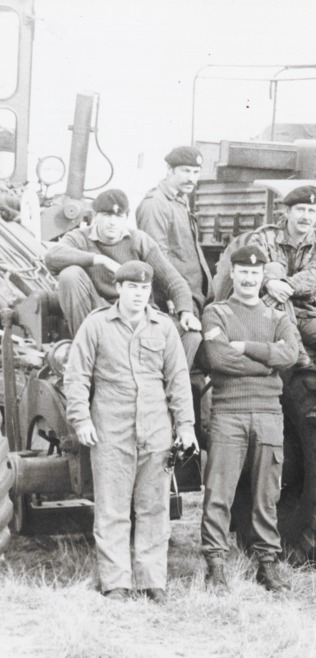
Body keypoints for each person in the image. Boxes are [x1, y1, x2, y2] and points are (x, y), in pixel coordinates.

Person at [62, 261, 198, 603]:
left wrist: (185, 426)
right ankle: (116, 583)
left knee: (154, 508)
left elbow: (179, 379)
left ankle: (153, 580)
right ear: (119, 288)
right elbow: (76, 375)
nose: (139, 294)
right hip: (111, 428)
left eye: (144, 288)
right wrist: (81, 420)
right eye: (132, 287)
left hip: (156, 430)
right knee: (112, 509)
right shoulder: (97, 325)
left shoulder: (163, 328)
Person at [199, 245, 302, 593]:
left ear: (263, 278)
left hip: (270, 414)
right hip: (229, 412)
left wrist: (244, 347)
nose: (248, 278)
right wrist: (266, 364)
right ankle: (215, 563)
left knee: (267, 493)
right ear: (233, 274)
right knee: (219, 491)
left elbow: (291, 354)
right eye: (242, 271)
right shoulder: (217, 313)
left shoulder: (278, 317)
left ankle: (267, 564)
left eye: (255, 273)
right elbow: (218, 358)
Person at [215, 186, 316, 423]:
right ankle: (296, 354)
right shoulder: (264, 236)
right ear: (287, 211)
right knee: (272, 269)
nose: (306, 216)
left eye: (311, 210)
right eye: (300, 210)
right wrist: (268, 281)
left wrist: (279, 284)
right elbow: (253, 270)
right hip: (269, 310)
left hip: (309, 312)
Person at [46, 190, 203, 364]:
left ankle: (163, 387)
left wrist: (186, 312)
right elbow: (52, 256)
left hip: (138, 314)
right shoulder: (79, 238)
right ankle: (89, 352)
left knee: (191, 336)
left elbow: (174, 281)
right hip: (99, 315)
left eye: (119, 216)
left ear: (126, 217)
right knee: (70, 275)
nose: (113, 222)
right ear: (95, 216)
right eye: (106, 215)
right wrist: (101, 260)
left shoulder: (139, 240)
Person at [136, 145, 211, 310]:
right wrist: (171, 296)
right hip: (176, 299)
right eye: (185, 171)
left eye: (195, 172)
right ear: (170, 170)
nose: (191, 178)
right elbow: (156, 256)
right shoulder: (155, 204)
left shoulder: (180, 200)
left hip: (191, 294)